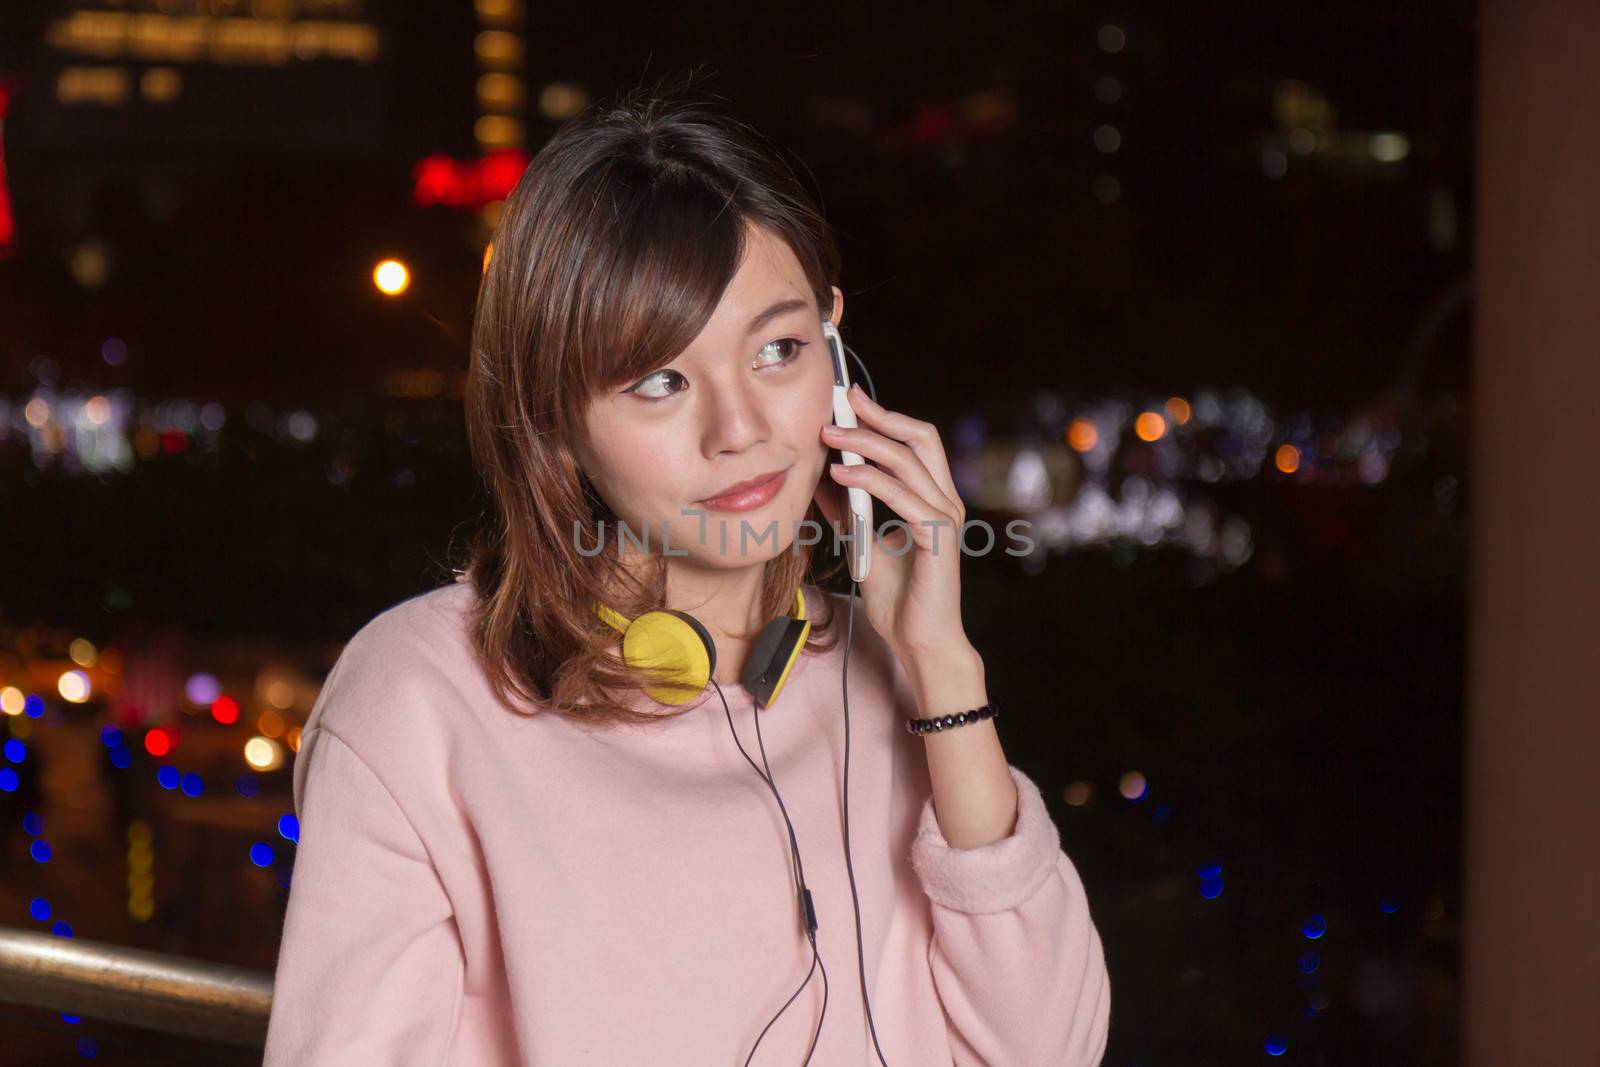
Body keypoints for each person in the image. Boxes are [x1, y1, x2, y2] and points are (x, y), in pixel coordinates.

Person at [262, 83, 1110, 1066]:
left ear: (837, 351)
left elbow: (1051, 1050)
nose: (740, 430)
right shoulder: (418, 697)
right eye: (660, 380)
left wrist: (942, 672)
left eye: (779, 351)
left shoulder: (896, 679)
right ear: (555, 418)